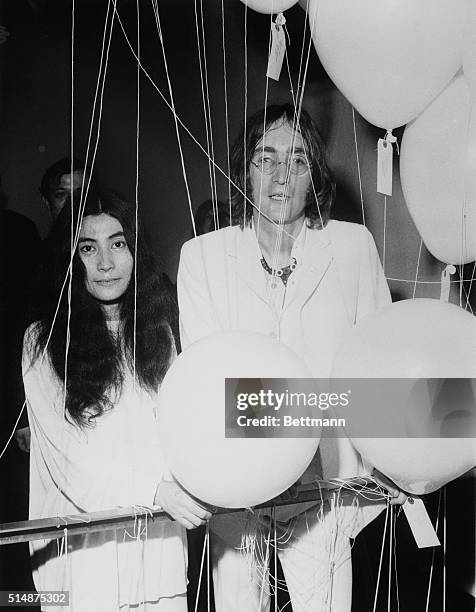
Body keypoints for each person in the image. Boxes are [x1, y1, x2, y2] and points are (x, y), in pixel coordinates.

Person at [177, 104, 405, 611]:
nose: (282, 175)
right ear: (245, 171)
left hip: (326, 482)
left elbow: (377, 364)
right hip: (233, 482)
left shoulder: (352, 247)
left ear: (315, 177)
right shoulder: (203, 257)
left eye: (298, 160)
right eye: (266, 158)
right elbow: (206, 384)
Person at [22, 190, 211, 611]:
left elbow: (179, 432)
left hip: (158, 552)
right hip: (87, 561)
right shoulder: (43, 343)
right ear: (69, 260)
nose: (105, 263)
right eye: (88, 248)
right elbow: (70, 464)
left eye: (118, 243)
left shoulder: (159, 334)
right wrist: (156, 491)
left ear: (135, 251)